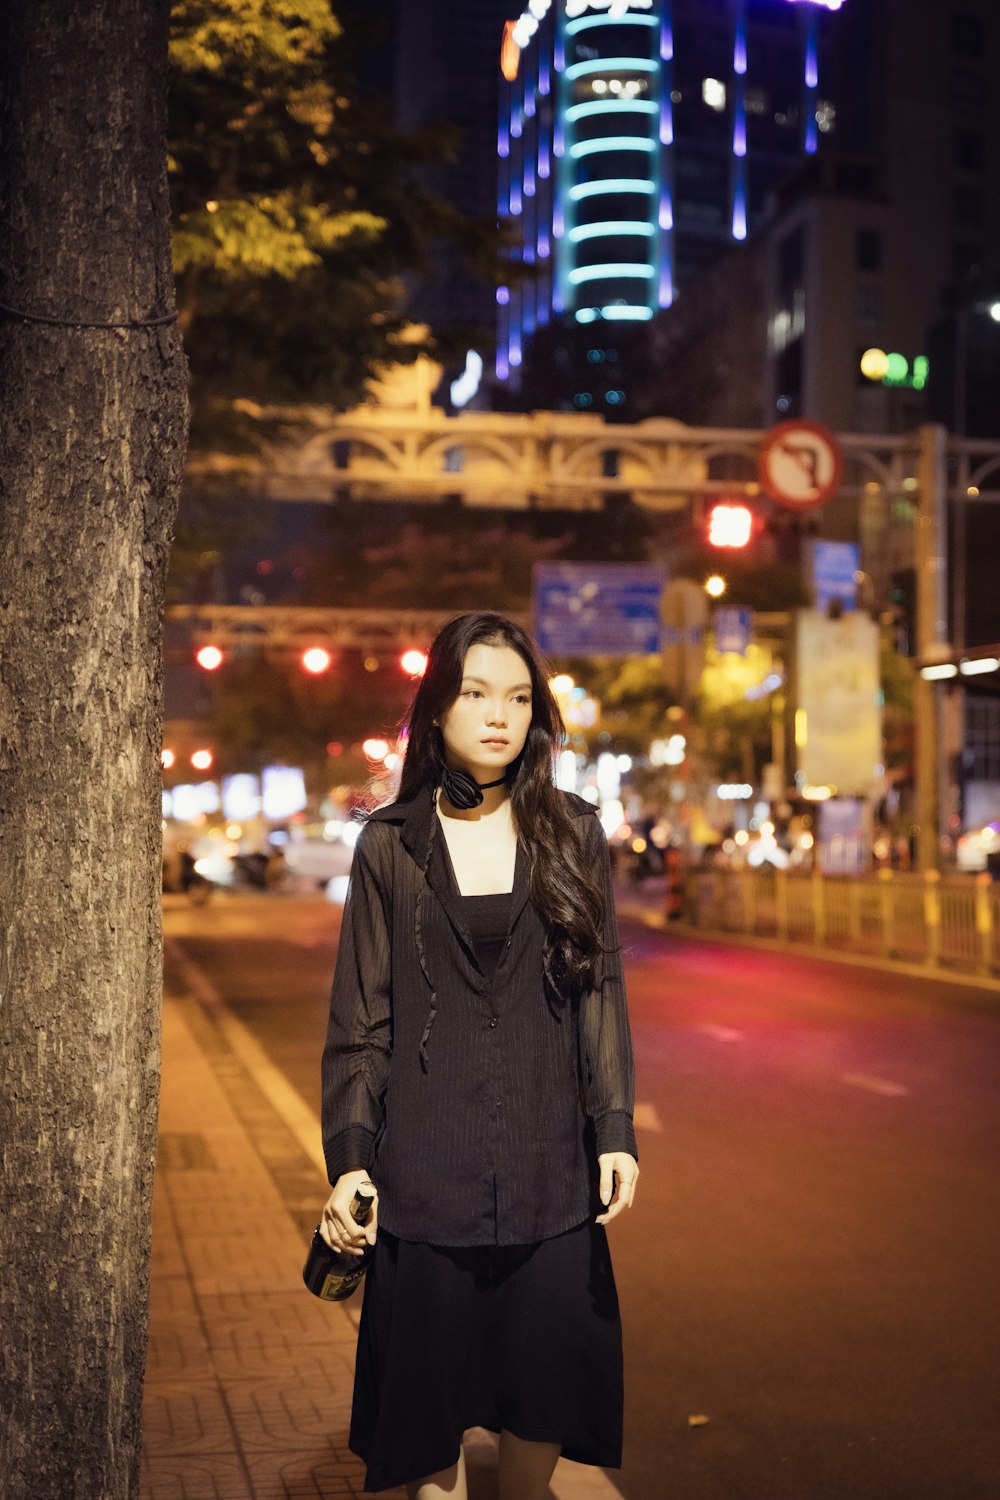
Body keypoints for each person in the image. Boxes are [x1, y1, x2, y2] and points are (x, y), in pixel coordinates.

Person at [319, 610, 639, 1500]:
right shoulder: (390, 843)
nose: (499, 714)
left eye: (517, 697)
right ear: (438, 709)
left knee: (538, 1428)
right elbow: (361, 1021)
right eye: (475, 693)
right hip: (426, 1189)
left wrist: (613, 1128)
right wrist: (349, 1161)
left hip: (549, 1185)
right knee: (431, 1456)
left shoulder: (573, 831)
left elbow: (599, 992)